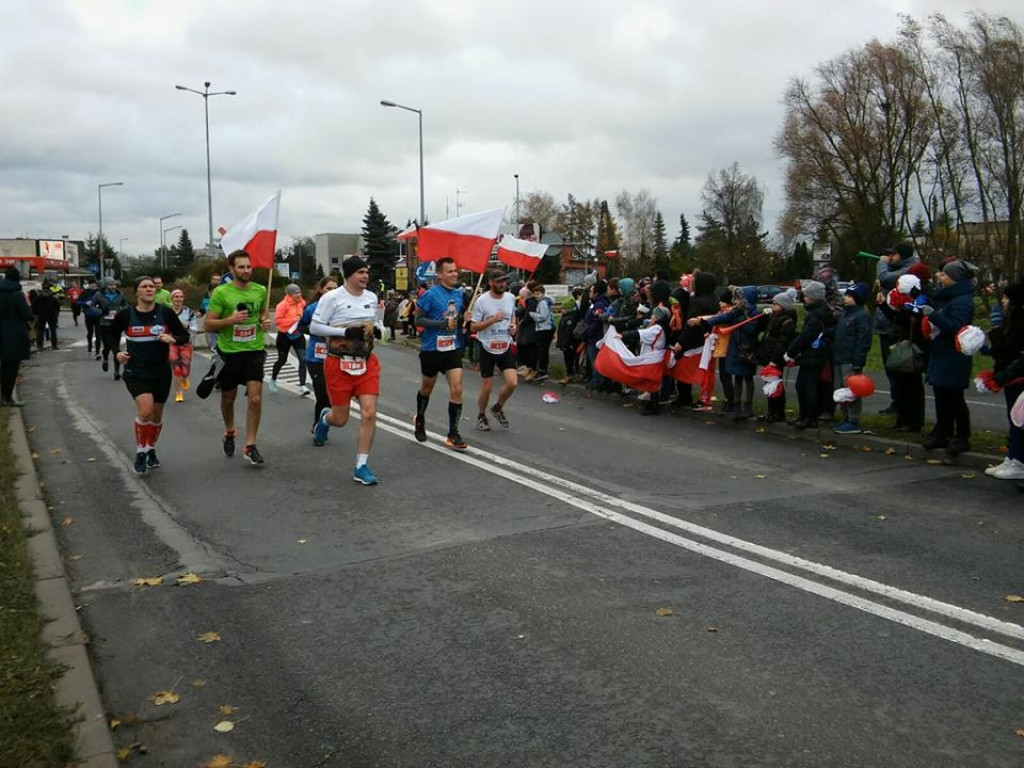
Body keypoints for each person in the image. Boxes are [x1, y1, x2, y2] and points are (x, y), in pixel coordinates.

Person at [310, 256, 382, 484]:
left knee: (369, 413)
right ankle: (325, 419)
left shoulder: (371, 297)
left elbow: (375, 322)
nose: (365, 276)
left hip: (366, 362)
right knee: (340, 419)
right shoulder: (332, 298)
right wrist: (345, 333)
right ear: (349, 275)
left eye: (367, 272)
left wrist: (378, 330)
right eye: (361, 272)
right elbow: (314, 326)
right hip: (338, 363)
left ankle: (361, 466)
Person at [109, 276, 189, 474]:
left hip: (161, 371)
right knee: (145, 411)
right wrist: (117, 352)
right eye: (144, 287)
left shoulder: (165, 313)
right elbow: (111, 335)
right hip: (136, 370)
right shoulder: (126, 315)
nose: (149, 289)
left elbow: (184, 336)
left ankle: (151, 448)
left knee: (157, 414)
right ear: (136, 292)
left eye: (151, 286)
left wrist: (173, 338)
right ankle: (141, 452)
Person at [203, 250, 271, 466]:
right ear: (232, 269)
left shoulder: (260, 290)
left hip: (254, 350)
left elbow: (262, 314)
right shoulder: (221, 292)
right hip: (229, 352)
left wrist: (264, 322)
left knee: (255, 399)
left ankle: (250, 446)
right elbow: (208, 324)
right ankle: (230, 430)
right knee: (228, 398)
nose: (246, 270)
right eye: (241, 267)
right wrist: (230, 320)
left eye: (249, 267)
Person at [413, 257, 468, 450]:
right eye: (450, 271)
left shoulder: (459, 294)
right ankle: (420, 418)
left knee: (457, 389)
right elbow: (418, 321)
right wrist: (442, 324)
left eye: (455, 270)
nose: (454, 274)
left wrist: (465, 319)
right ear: (440, 274)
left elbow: (457, 319)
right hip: (432, 349)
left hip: (452, 348)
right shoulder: (430, 294)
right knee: (427, 387)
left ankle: (453, 433)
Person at [922, 259, 976, 456]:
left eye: (944, 274)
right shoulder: (947, 297)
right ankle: (943, 432)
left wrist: (933, 315)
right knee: (941, 396)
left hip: (954, 355)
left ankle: (962, 437)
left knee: (954, 398)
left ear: (955, 278)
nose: (940, 276)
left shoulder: (962, 301)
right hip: (942, 352)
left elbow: (956, 327)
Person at [986, 280, 1024, 480]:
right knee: (1013, 417)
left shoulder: (1019, 324)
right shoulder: (1013, 321)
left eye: (1006, 298)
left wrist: (996, 327)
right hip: (1010, 374)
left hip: (1016, 376)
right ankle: (1012, 457)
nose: (1003, 301)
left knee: (1018, 420)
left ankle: (1018, 461)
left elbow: (1007, 348)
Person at [875, 243, 920, 414]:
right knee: (890, 368)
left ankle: (902, 405)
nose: (890, 258)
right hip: (886, 323)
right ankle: (897, 402)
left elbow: (884, 278)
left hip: (896, 327)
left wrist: (882, 263)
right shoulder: (896, 268)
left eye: (893, 255)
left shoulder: (909, 270)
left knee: (898, 367)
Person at [471, 270, 518, 431]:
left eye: (504, 281)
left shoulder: (510, 297)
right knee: (487, 386)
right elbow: (473, 327)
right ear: (491, 282)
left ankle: (498, 407)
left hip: (504, 345)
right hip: (487, 346)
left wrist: (513, 327)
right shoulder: (482, 301)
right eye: (499, 281)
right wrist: (492, 320)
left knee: (512, 382)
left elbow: (512, 316)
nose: (502, 284)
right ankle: (481, 415)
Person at [784, 280, 835, 429]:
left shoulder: (815, 316)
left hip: (812, 355)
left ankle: (808, 417)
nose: (804, 299)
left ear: (813, 297)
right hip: (815, 354)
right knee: (805, 386)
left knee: (806, 387)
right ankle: (805, 415)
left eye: (806, 296)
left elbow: (805, 337)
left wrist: (791, 352)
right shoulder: (821, 312)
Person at [298, 275, 339, 438]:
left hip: (336, 356)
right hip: (316, 357)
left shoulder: (342, 308)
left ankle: (324, 421)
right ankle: (318, 426)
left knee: (333, 396)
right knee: (322, 394)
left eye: (335, 288)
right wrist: (317, 330)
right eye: (329, 288)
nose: (332, 291)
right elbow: (301, 326)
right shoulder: (312, 308)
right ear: (321, 290)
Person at [831, 283, 873, 434]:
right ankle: (845, 417)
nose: (845, 298)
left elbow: (863, 341)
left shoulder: (861, 316)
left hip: (850, 359)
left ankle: (853, 419)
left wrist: (858, 362)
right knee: (841, 390)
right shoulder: (845, 314)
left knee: (851, 390)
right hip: (839, 357)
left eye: (849, 296)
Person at [756, 290, 799, 423]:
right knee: (769, 384)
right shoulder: (773, 318)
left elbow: (782, 342)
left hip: (775, 357)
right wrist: (763, 317)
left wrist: (775, 360)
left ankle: (778, 412)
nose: (772, 306)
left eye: (775, 304)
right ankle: (771, 411)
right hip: (768, 354)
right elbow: (762, 329)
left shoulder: (787, 321)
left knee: (775, 385)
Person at [270, 283, 310, 395]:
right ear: (290, 294)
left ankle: (302, 386)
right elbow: (278, 321)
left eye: (299, 292)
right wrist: (293, 320)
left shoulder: (302, 303)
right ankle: (273, 379)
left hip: (298, 335)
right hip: (284, 336)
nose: (298, 295)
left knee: (303, 359)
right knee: (282, 360)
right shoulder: (282, 305)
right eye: (295, 293)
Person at [0, 268, 32, 406]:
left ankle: (2, 397)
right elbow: (26, 314)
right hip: (15, 335)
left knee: (3, 366)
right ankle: (7, 397)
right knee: (12, 367)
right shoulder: (17, 294)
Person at [89, 277, 130, 379]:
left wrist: (121, 312)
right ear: (106, 286)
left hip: (117, 324)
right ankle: (105, 360)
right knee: (107, 347)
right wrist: (101, 311)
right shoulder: (99, 295)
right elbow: (92, 306)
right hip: (104, 324)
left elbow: (126, 305)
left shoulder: (120, 294)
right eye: (110, 285)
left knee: (116, 347)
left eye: (114, 285)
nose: (113, 287)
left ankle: (116, 372)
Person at [168, 289, 197, 402]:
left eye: (181, 296)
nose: (179, 299)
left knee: (185, 370)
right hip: (171, 343)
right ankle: (178, 393)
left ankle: (185, 378)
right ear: (171, 299)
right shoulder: (166, 311)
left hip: (185, 343)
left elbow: (194, 328)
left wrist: (186, 325)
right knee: (176, 369)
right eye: (176, 297)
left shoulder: (188, 312)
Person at [529, 284, 555, 382]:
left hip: (544, 328)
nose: (536, 296)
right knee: (542, 350)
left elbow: (543, 316)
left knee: (542, 351)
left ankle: (543, 371)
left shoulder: (543, 303)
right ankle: (542, 370)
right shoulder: (545, 302)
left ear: (543, 294)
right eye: (535, 294)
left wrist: (533, 315)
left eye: (538, 294)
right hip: (546, 328)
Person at [31, 286, 60, 351]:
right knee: (53, 330)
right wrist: (56, 315)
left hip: (41, 315)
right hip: (51, 315)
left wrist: (36, 314)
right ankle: (54, 345)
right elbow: (57, 307)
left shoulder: (38, 298)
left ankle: (40, 345)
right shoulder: (52, 298)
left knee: (40, 331)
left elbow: (33, 307)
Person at [78, 279, 101, 356]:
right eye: (91, 284)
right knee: (90, 333)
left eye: (94, 284)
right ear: (89, 285)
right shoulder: (85, 292)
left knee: (98, 334)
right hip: (88, 315)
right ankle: (90, 346)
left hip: (98, 315)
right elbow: (78, 301)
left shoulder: (100, 292)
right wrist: (85, 303)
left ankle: (97, 352)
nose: (93, 285)